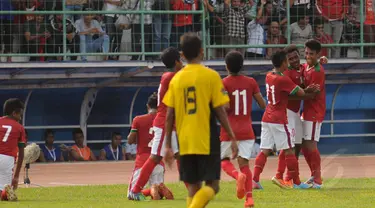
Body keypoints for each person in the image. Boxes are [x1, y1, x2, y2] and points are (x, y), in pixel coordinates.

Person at [163, 32, 238, 208]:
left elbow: (168, 115)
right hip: (206, 136)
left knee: (193, 185)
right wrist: (232, 136)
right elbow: (221, 110)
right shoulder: (211, 76)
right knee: (213, 186)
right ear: (202, 52)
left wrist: (168, 145)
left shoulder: (177, 79)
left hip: (185, 138)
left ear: (182, 55)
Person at [252, 51, 319, 190]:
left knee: (264, 149)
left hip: (267, 117)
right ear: (283, 62)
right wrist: (309, 89)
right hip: (279, 118)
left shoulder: (269, 76)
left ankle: (255, 180)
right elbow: (301, 93)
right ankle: (296, 182)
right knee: (289, 150)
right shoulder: (283, 79)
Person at [128, 47, 184, 200]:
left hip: (171, 123)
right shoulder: (170, 76)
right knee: (155, 157)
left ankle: (192, 190)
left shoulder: (171, 75)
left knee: (180, 156)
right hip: (164, 122)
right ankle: (135, 189)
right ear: (176, 61)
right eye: (180, 59)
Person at [274, 45, 328, 184]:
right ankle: (283, 176)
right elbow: (287, 96)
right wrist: (305, 93)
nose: (294, 60)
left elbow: (309, 66)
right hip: (289, 112)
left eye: (296, 56)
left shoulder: (304, 68)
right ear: (286, 60)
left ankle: (294, 177)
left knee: (300, 144)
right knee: (293, 145)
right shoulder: (288, 73)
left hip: (306, 112)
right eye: (290, 58)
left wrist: (318, 60)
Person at [220, 51, 266, 208]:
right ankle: (249, 199)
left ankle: (236, 175)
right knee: (244, 164)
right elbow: (262, 104)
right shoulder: (251, 81)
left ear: (226, 66)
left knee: (224, 161)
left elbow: (225, 107)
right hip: (247, 129)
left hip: (229, 129)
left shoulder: (224, 82)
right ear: (242, 65)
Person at [127, 93, 173, 200]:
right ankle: (154, 190)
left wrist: (135, 132)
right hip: (158, 161)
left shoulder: (138, 119)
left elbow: (130, 140)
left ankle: (150, 191)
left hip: (142, 161)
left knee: (131, 195)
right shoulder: (165, 120)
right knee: (159, 192)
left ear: (148, 106)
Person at [301, 39, 326, 189]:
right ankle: (313, 174)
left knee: (311, 144)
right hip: (308, 111)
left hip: (315, 111)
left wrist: (293, 94)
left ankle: (318, 180)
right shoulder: (308, 66)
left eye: (311, 54)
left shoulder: (318, 71)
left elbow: (312, 95)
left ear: (318, 54)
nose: (308, 56)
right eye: (306, 53)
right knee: (305, 145)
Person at [0, 98, 26, 201]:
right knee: (4, 190)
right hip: (7, 158)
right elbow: (21, 154)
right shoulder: (19, 127)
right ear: (15, 113)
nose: (20, 117)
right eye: (20, 114)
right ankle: (5, 193)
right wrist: (16, 177)